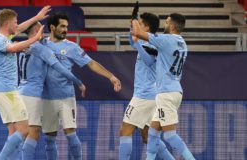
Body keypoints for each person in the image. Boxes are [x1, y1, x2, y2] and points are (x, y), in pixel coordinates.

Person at [41, 12, 122, 160]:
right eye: (62, 26)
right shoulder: (42, 44)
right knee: (49, 138)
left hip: (66, 96)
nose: (66, 30)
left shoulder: (72, 47)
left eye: (67, 26)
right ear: (52, 27)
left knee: (70, 133)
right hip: (46, 97)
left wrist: (111, 76)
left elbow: (91, 63)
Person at [132, 11, 195, 160]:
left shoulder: (166, 40)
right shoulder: (182, 43)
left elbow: (138, 32)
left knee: (170, 135)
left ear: (172, 26)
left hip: (166, 94)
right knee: (153, 133)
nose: (164, 24)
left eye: (166, 22)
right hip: (174, 90)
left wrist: (134, 19)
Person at [18, 21, 86, 160]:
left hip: (21, 91)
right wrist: (78, 82)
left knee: (26, 134)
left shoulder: (22, 47)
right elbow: (60, 68)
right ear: (37, 30)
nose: (44, 32)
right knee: (33, 133)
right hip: (33, 94)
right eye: (41, 28)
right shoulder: (41, 49)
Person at [0, 6, 50, 159]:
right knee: (24, 130)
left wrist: (37, 17)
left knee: (13, 131)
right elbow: (14, 48)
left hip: (4, 89)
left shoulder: (4, 37)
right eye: (15, 23)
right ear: (7, 24)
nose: (17, 26)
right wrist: (34, 39)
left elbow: (20, 30)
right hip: (7, 91)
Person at [119, 12, 174, 160]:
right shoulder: (144, 41)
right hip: (152, 97)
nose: (137, 27)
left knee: (125, 131)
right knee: (148, 137)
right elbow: (131, 39)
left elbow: (149, 61)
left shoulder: (154, 43)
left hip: (144, 96)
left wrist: (136, 41)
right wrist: (132, 24)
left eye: (140, 24)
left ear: (147, 28)